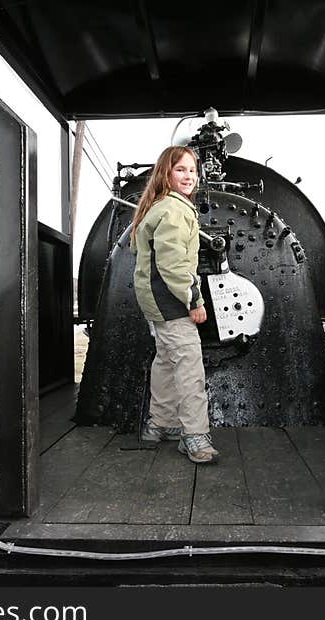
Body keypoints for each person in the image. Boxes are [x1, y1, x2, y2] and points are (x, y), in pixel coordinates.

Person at [130, 146, 218, 464]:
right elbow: (173, 265)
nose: (189, 176)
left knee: (166, 361)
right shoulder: (174, 210)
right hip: (170, 299)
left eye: (192, 171)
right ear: (166, 173)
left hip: (156, 299)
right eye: (180, 169)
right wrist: (194, 299)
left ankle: (160, 424)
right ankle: (193, 435)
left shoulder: (161, 206)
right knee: (189, 366)